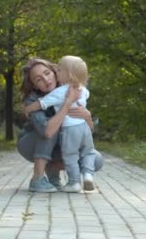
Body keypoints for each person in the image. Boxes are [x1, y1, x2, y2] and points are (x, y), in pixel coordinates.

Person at [17, 57, 103, 193]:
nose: (46, 80)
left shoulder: (71, 88)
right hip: (31, 144)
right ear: (34, 85)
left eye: (47, 73)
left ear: (55, 72)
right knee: (54, 126)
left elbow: (86, 132)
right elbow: (48, 132)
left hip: (63, 141)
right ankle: (37, 178)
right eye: (38, 79)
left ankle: (52, 169)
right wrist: (67, 103)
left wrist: (87, 116)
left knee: (95, 159)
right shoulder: (34, 98)